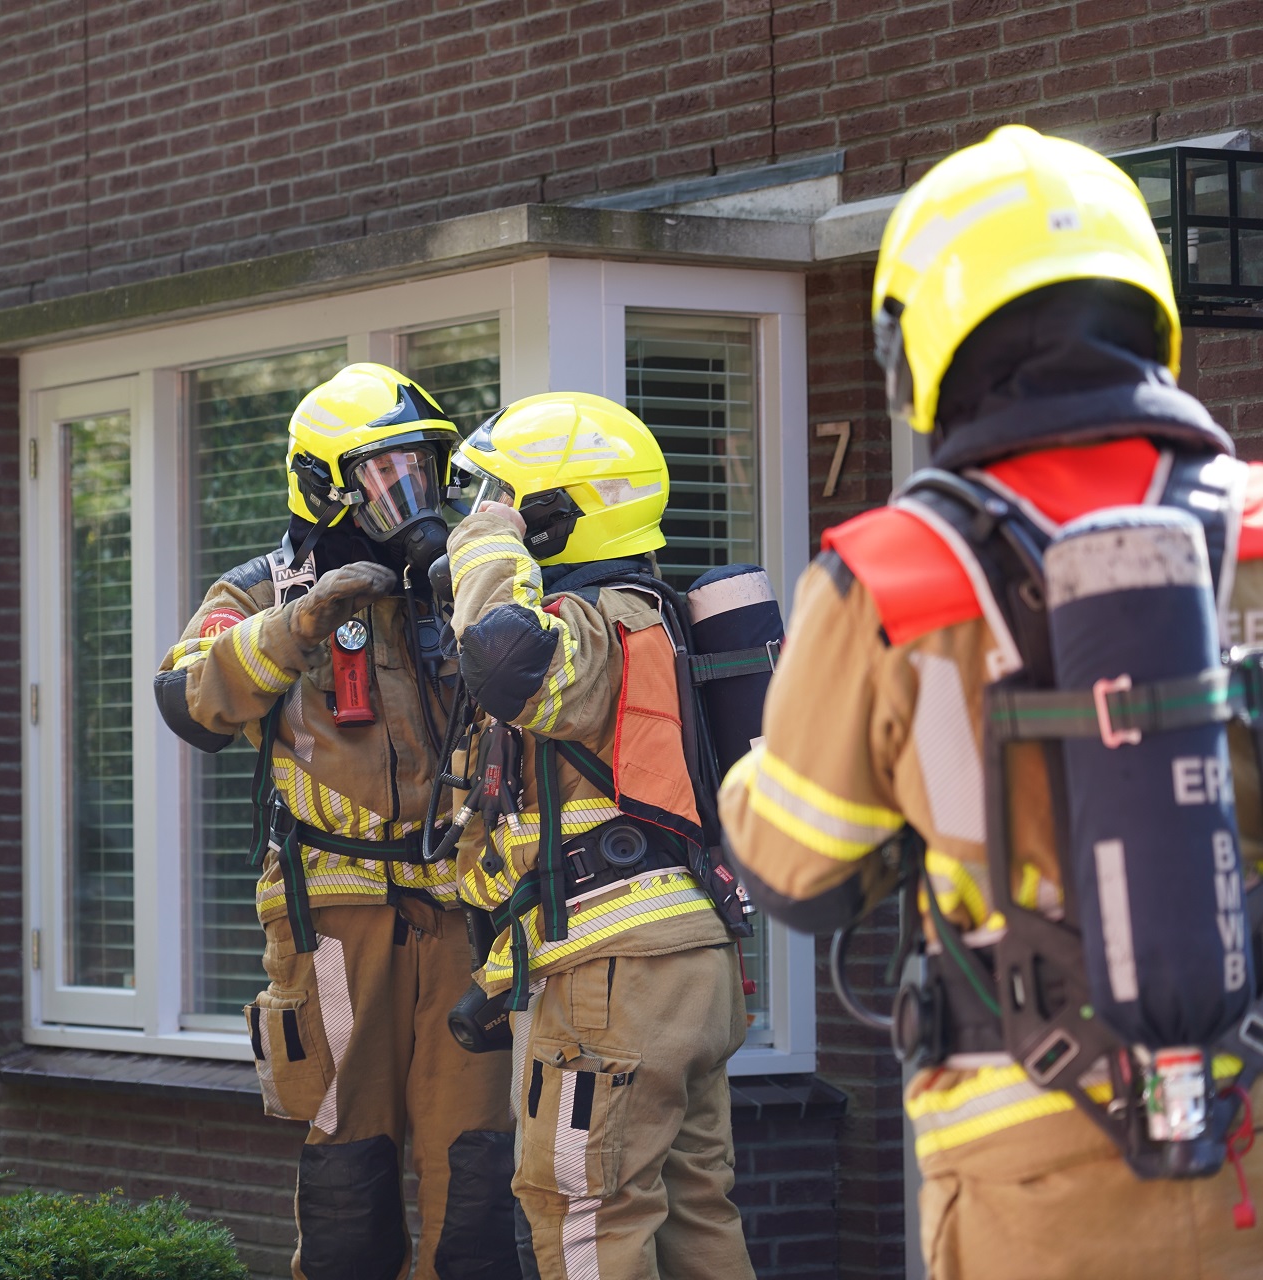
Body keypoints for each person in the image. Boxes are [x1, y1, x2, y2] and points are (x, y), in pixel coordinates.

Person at [716, 124, 1263, 1279]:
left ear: (923, 346)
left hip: (1030, 1159)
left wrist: (751, 764)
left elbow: (797, 873)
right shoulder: (1255, 528)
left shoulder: (893, 571)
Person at [154, 362, 520, 1280]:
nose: (411, 497)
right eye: (384, 475)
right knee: (349, 1179)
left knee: (477, 1177)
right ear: (322, 488)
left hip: (462, 917)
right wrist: (296, 625)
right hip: (331, 927)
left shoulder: (454, 584)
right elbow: (184, 702)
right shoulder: (264, 587)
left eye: (423, 472)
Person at [439, 391, 757, 1280]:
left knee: (585, 1215)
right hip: (683, 962)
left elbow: (503, 659)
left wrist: (490, 548)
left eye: (503, 500)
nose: (478, 516)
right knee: (697, 1217)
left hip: (612, 976)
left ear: (555, 517)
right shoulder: (649, 616)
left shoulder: (593, 623)